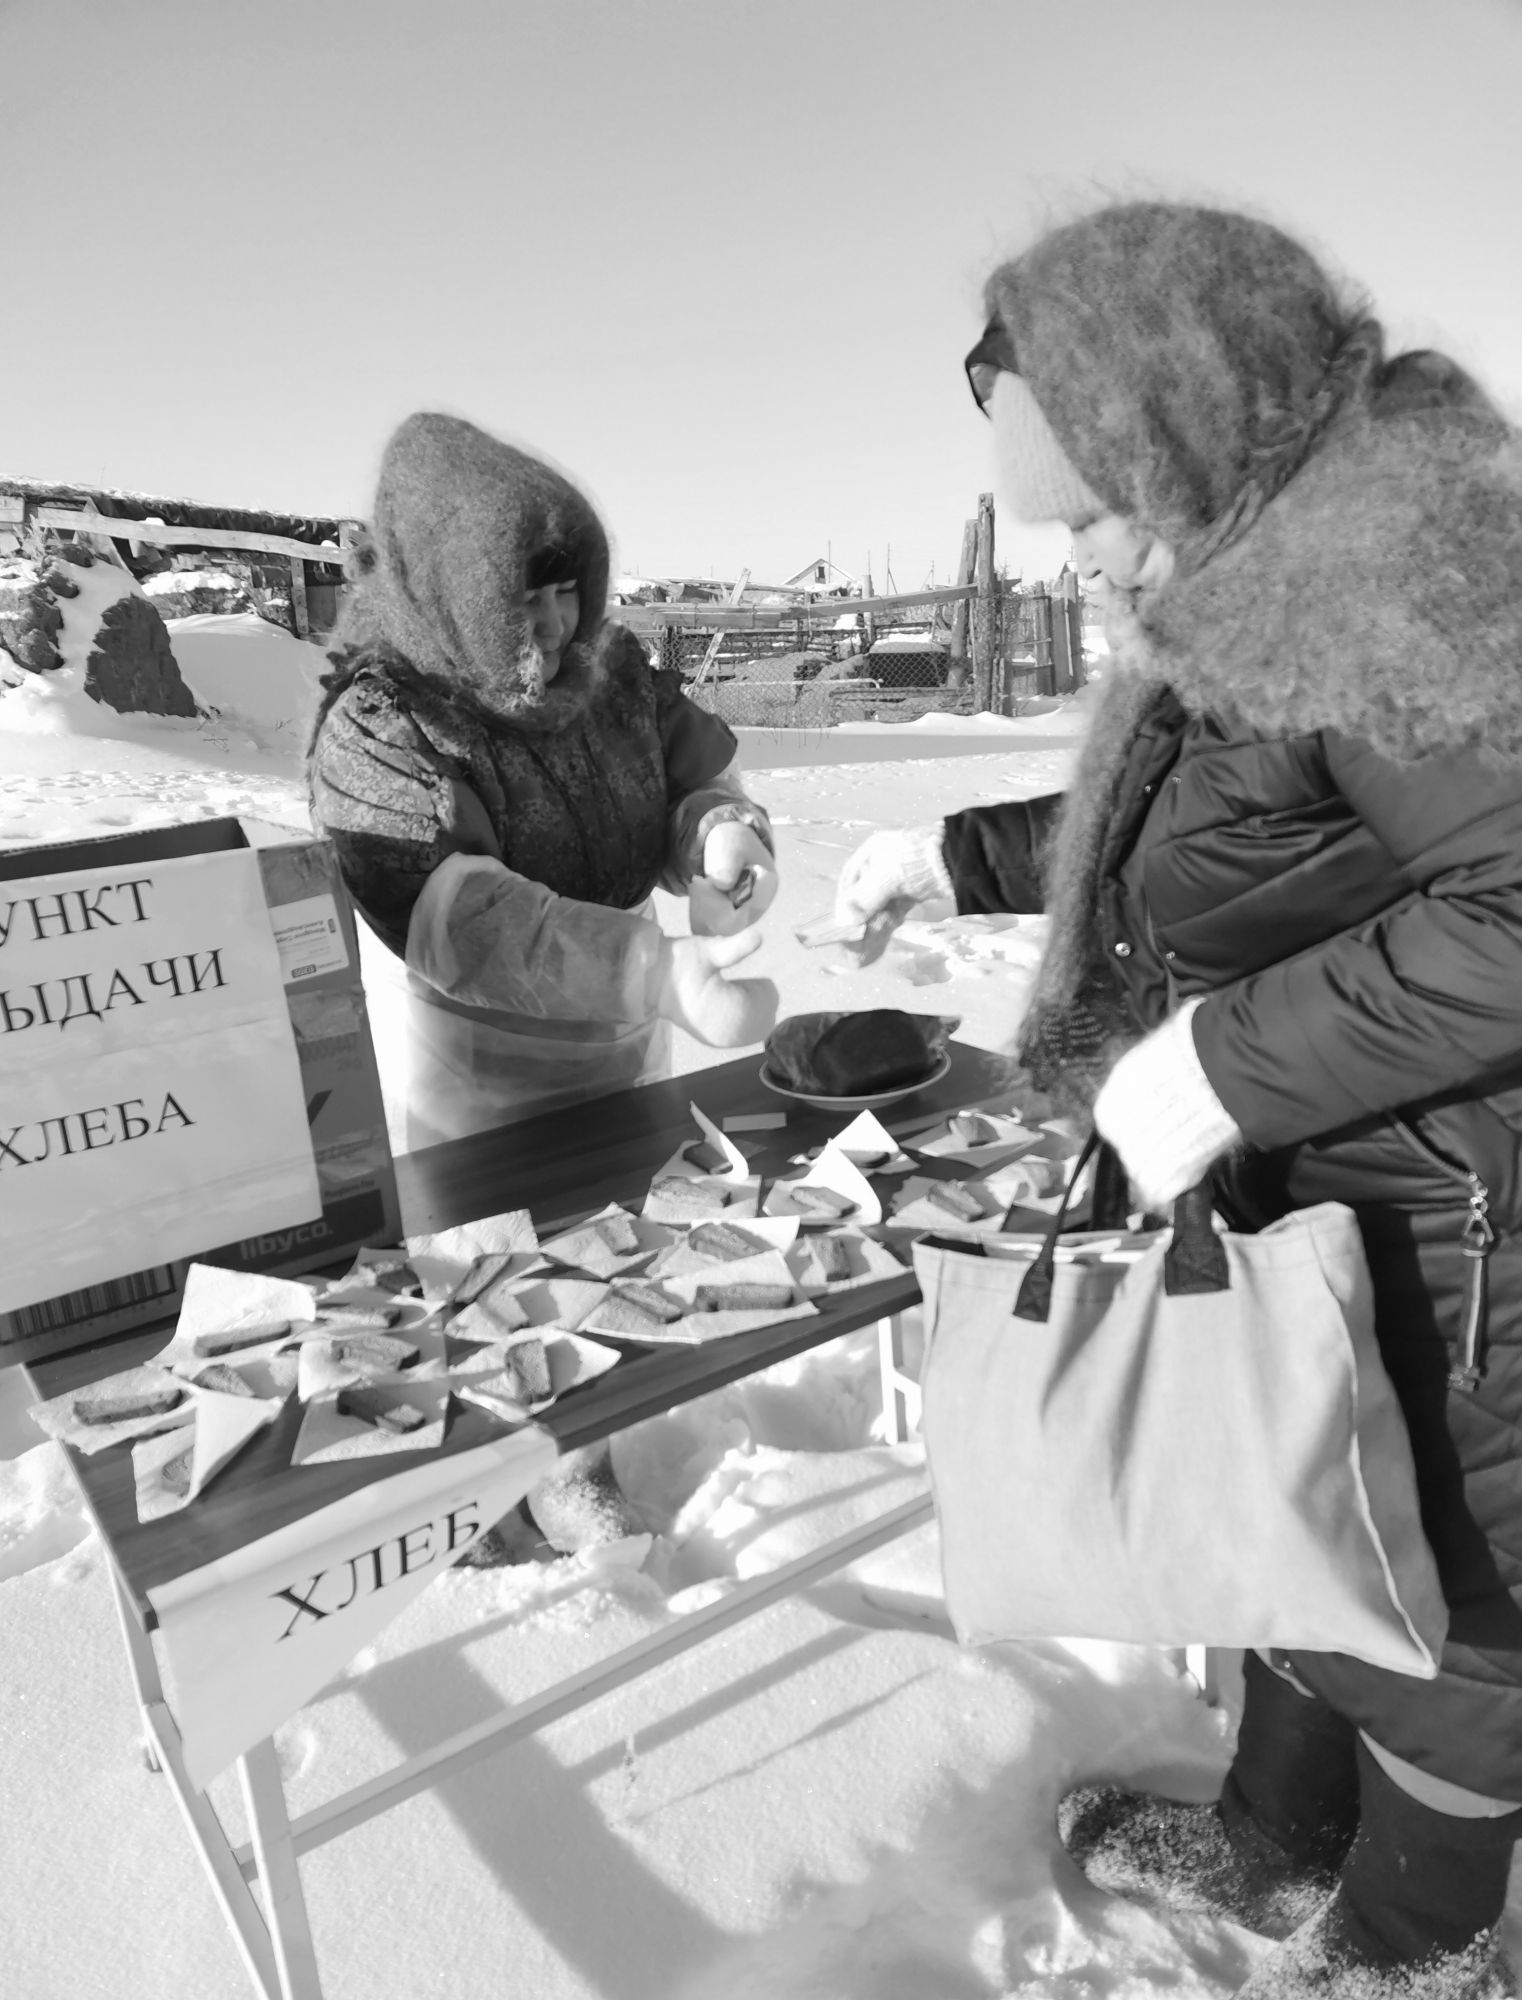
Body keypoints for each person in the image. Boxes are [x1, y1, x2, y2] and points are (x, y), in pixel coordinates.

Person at [835, 203, 1522, 1997]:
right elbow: (1222, 832)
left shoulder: (1396, 587)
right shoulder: (1250, 581)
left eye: (1083, 514)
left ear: (1183, 440)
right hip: (1323, 1195)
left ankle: (1412, 1947)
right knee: (1281, 1515)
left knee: (1448, 1618)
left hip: (1461, 1236)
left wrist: (1220, 1063)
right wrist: (959, 856)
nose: (1065, 559)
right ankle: (1279, 1837)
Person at [309, 411, 779, 1552]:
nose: (561, 622)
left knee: (612, 1247)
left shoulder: (607, 677)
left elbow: (686, 777)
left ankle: (580, 1458)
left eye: (571, 590)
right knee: (499, 1270)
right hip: (490, 1068)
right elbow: (467, 920)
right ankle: (484, 1479)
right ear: (454, 588)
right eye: (529, 599)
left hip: (626, 1042)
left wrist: (721, 841)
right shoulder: (384, 722)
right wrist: (652, 969)